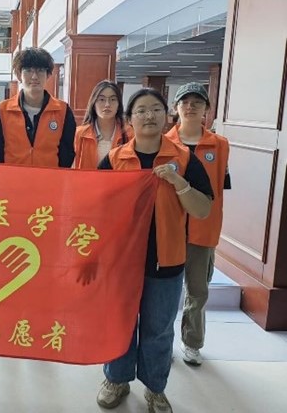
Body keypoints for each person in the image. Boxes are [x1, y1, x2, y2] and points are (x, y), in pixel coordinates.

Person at [97, 88, 214, 413]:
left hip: (167, 261)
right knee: (119, 325)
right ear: (129, 119)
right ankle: (116, 379)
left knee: (159, 330)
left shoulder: (184, 159)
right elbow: (96, 208)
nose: (149, 116)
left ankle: (155, 387)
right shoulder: (115, 159)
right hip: (122, 262)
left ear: (166, 116)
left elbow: (203, 209)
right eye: (141, 110)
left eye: (155, 110)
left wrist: (180, 184)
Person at [165, 82, 231, 366]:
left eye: (197, 102)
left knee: (198, 290)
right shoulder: (164, 143)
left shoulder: (220, 145)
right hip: (169, 227)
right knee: (165, 291)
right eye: (185, 102)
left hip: (203, 229)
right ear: (175, 108)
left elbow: (219, 187)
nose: (190, 107)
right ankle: (162, 341)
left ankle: (192, 342)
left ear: (207, 109)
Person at [0, 47, 76, 167]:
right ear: (19, 75)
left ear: (48, 75)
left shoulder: (63, 111)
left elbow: (67, 152)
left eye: (40, 70)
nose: (34, 76)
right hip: (12, 177)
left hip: (49, 177)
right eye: (28, 70)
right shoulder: (4, 110)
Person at [73, 80, 132, 169]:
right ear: (94, 104)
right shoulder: (79, 134)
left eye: (113, 99)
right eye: (102, 99)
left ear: (119, 105)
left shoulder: (130, 134)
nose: (107, 104)